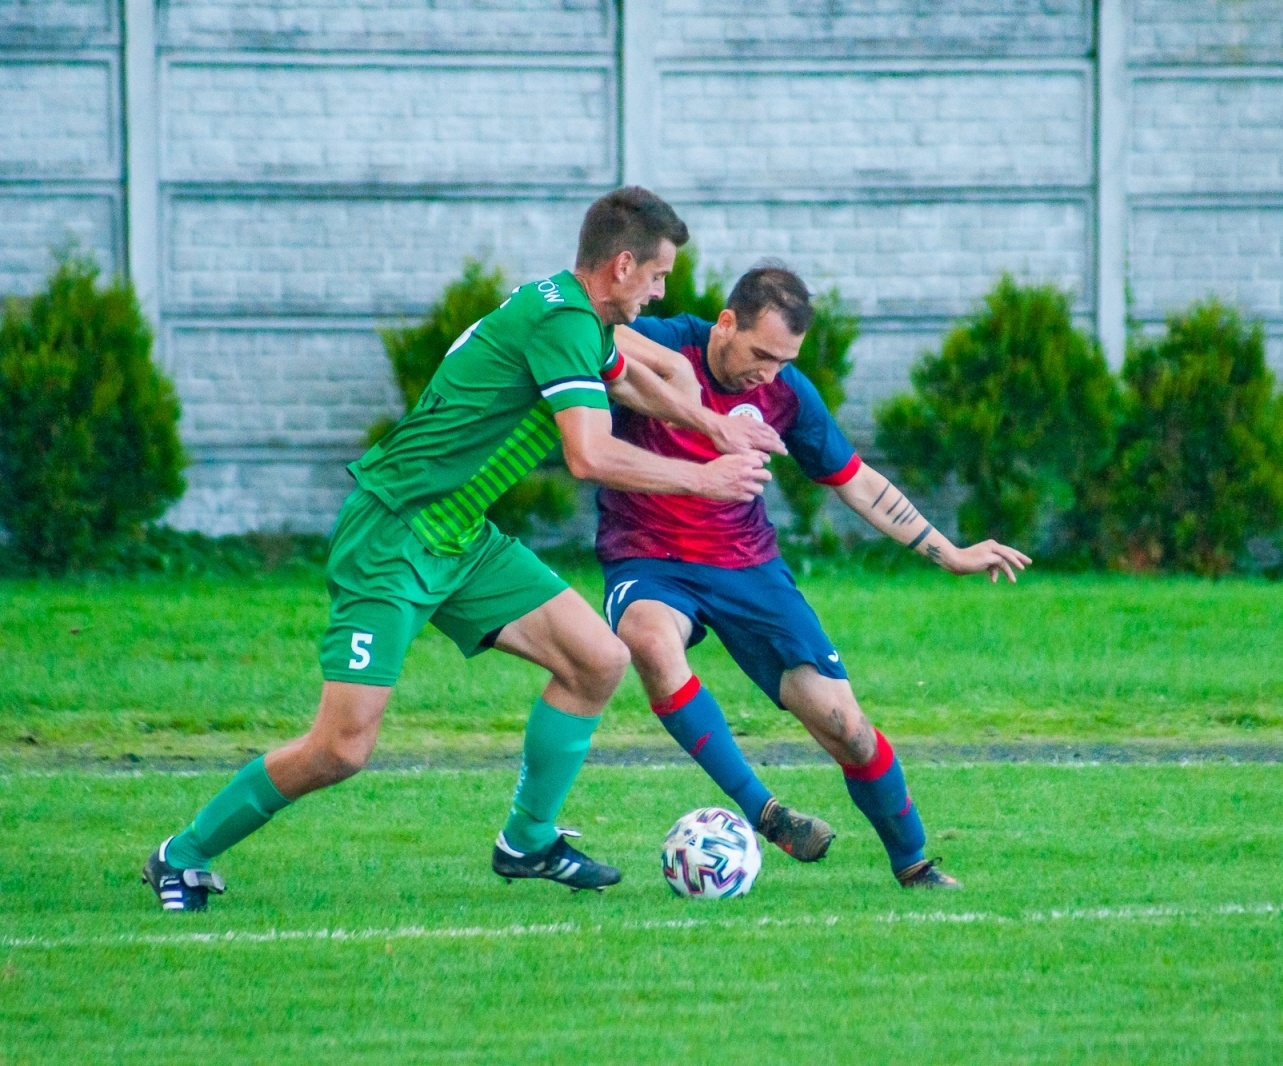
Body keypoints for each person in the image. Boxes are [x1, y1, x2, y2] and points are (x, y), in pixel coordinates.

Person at [143, 187, 787, 912]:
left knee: (598, 659)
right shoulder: (562, 320)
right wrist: (704, 477)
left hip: (460, 537)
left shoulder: (572, 313)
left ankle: (528, 841)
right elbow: (589, 454)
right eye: (660, 275)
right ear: (623, 266)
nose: (664, 290)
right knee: (342, 749)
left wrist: (714, 425)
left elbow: (628, 381)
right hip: (393, 536)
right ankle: (182, 855)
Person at [599, 264, 1032, 889]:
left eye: (784, 360)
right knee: (648, 638)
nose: (769, 373)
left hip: (747, 566)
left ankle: (913, 864)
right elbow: (591, 333)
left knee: (846, 727)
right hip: (646, 557)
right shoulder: (668, 343)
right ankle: (764, 812)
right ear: (726, 324)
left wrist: (951, 552)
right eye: (761, 354)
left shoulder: (787, 394)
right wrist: (672, 374)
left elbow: (855, 481)